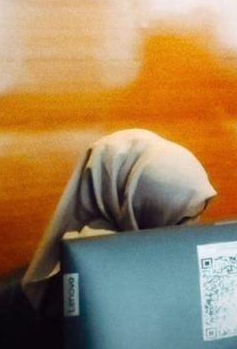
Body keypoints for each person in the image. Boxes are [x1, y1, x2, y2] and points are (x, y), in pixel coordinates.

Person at [22, 129, 217, 311]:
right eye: (181, 220)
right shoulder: (89, 270)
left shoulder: (143, 250)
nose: (191, 229)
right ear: (136, 203)